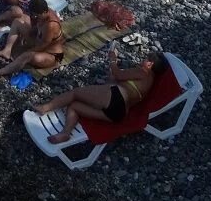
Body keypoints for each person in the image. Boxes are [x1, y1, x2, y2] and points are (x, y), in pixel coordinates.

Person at [31, 48, 170, 144]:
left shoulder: (143, 72)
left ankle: (45, 108)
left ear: (150, 64)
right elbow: (121, 83)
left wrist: (113, 59)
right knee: (74, 106)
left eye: (146, 59)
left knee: (75, 94)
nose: (143, 60)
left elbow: (118, 74)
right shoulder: (149, 82)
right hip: (118, 113)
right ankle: (65, 133)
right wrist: (113, 78)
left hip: (115, 98)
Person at [0, 0, 66, 81]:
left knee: (27, 55)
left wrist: (27, 51)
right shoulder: (43, 12)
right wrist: (27, 33)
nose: (35, 17)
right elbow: (36, 28)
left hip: (52, 55)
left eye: (37, 15)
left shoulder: (51, 25)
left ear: (45, 12)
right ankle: (7, 50)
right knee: (17, 22)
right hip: (38, 41)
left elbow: (43, 45)